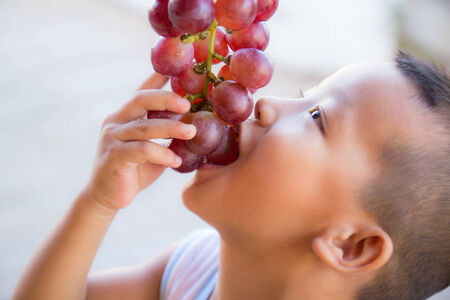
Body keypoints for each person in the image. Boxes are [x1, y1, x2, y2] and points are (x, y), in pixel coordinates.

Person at [12, 51, 449, 300]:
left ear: (349, 245)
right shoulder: (195, 269)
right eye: (302, 96)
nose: (265, 102)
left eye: (316, 117)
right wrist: (99, 203)